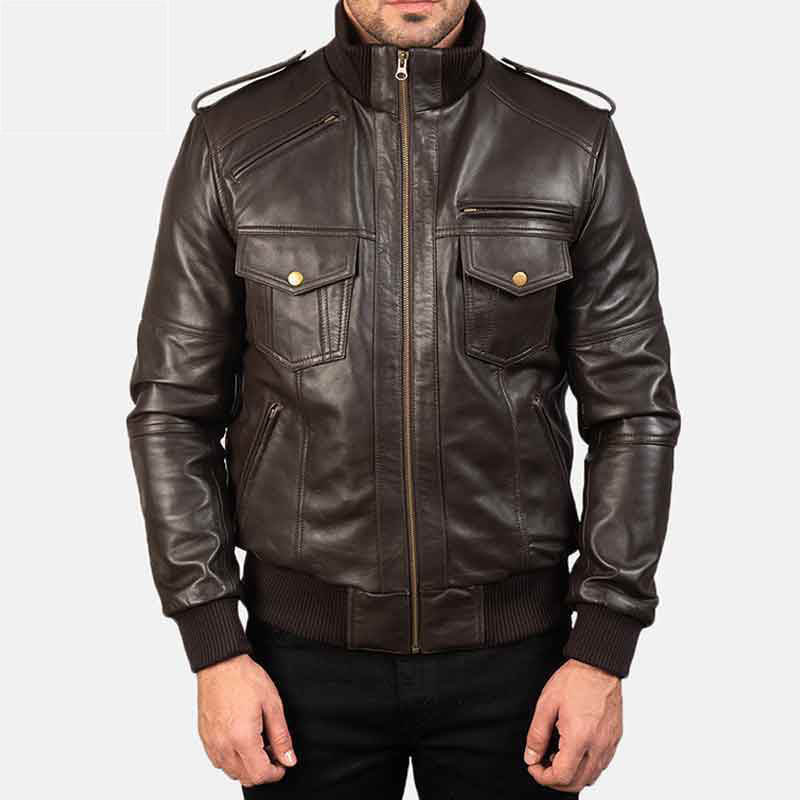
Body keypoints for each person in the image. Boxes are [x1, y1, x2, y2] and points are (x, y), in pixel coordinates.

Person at [126, 1, 680, 796]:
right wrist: (213, 645)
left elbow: (635, 410)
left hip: (521, 668)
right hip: (297, 670)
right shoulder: (235, 140)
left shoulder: (570, 142)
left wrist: (603, 645)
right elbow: (173, 409)